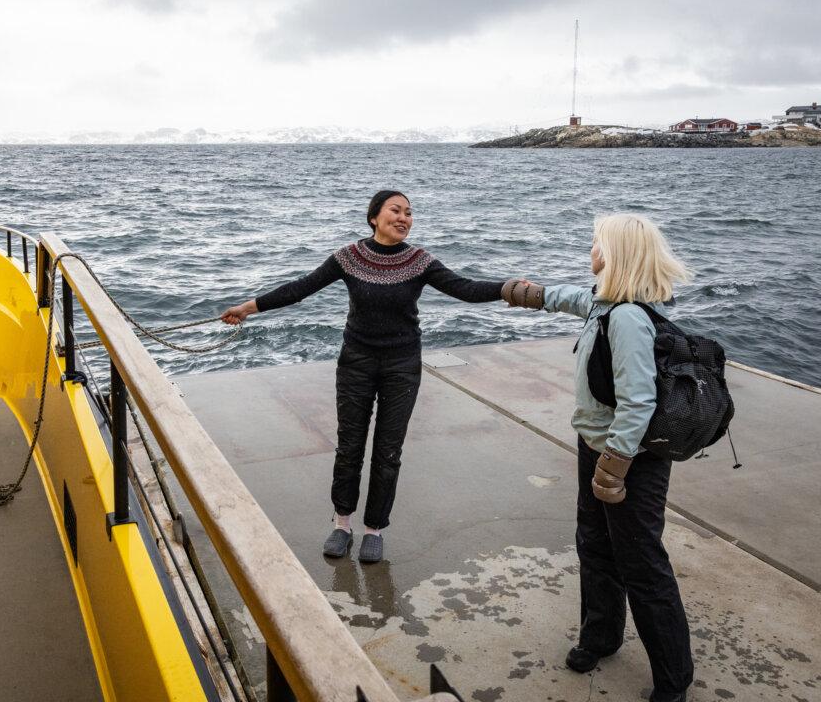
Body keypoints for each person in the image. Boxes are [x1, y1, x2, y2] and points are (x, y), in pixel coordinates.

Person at [221, 191, 506, 563]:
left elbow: (465, 289)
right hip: (356, 362)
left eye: (409, 213)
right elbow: (300, 288)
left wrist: (509, 289)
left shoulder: (420, 261)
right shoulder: (349, 257)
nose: (404, 218)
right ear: (374, 217)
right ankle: (342, 525)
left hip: (402, 366)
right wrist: (248, 307)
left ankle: (374, 529)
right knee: (350, 446)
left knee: (388, 451)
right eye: (396, 210)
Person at [503, 213, 694, 702]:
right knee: (595, 546)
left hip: (629, 462)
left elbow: (638, 402)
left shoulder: (628, 319)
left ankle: (673, 680)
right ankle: (601, 636)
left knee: (642, 564)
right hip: (598, 451)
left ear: (615, 255)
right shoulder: (604, 304)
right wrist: (528, 293)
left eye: (596, 245)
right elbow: (571, 296)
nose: (590, 251)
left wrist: (613, 467)